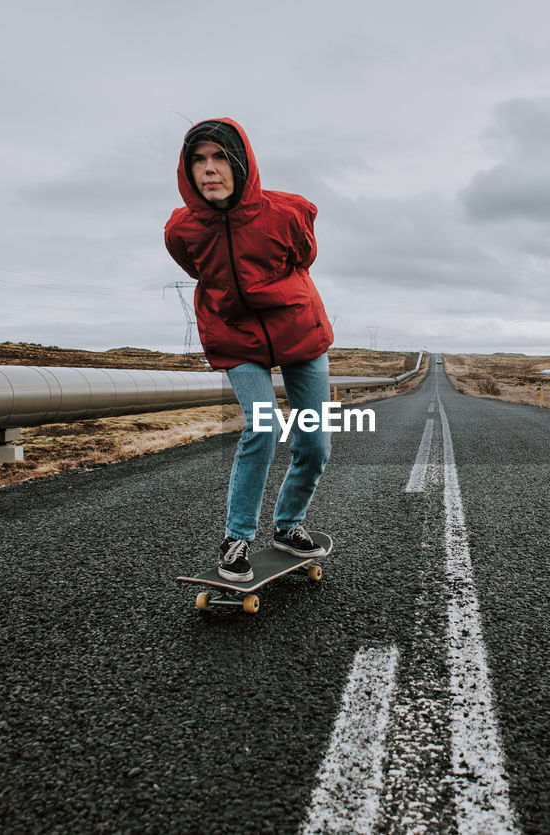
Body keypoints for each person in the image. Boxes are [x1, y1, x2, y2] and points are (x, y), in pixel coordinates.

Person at [165, 118, 334, 582]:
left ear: (240, 162)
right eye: (198, 159)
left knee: (315, 444)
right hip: (236, 336)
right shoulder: (183, 229)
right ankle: (237, 538)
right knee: (262, 428)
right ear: (187, 169)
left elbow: (304, 257)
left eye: (220, 157)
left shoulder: (288, 213)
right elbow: (197, 268)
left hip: (298, 331)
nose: (209, 169)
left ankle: (288, 526)